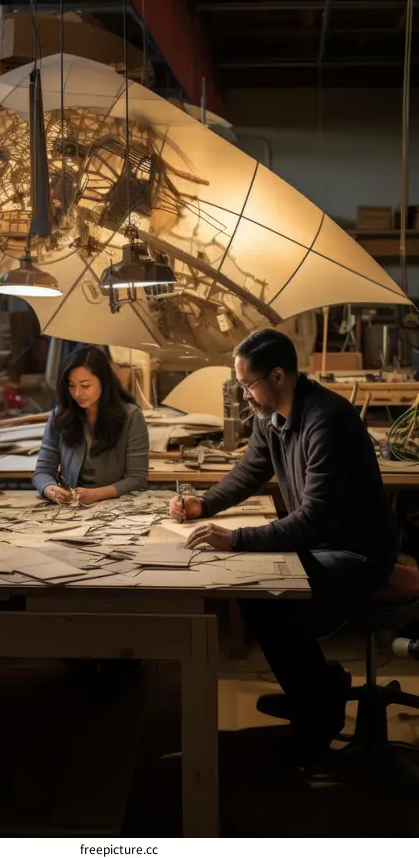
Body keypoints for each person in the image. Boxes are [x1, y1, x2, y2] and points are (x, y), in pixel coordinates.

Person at [170, 329, 397, 767]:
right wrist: (205, 503)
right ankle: (316, 691)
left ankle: (320, 709)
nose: (244, 396)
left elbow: (313, 519)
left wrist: (235, 539)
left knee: (270, 600)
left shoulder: (325, 419)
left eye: (248, 384)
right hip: (319, 542)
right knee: (254, 596)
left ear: (278, 375)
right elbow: (249, 471)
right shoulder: (269, 416)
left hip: (357, 553)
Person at [33, 345, 149, 505]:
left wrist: (97, 494)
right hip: (72, 508)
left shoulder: (131, 416)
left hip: (117, 508)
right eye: (71, 385)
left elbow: (137, 479)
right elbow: (42, 472)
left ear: (103, 381)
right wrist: (50, 488)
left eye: (85, 386)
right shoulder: (60, 415)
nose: (77, 393)